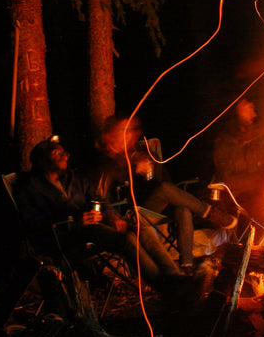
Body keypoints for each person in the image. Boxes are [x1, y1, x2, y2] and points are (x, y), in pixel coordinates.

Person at [15, 136, 188, 299]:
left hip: (94, 228)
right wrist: (74, 223)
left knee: (139, 231)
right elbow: (33, 226)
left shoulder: (75, 178)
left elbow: (98, 200)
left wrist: (111, 216)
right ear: (42, 159)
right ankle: (168, 288)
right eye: (58, 153)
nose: (65, 156)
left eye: (65, 152)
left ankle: (176, 278)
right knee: (126, 239)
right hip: (66, 238)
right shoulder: (31, 188)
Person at [92, 115, 236, 274]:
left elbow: (152, 183)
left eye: (130, 130)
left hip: (151, 207)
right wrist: (113, 217)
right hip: (131, 215)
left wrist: (149, 172)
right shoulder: (107, 162)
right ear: (110, 135)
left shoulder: (137, 152)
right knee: (165, 189)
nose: (130, 134)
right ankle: (211, 213)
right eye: (123, 130)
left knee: (183, 209)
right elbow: (101, 196)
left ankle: (186, 266)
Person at [212, 97, 264, 228]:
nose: (254, 114)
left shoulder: (256, 138)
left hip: (258, 193)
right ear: (238, 109)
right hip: (236, 197)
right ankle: (258, 245)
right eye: (250, 109)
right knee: (261, 209)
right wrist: (260, 185)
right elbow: (227, 180)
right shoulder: (224, 142)